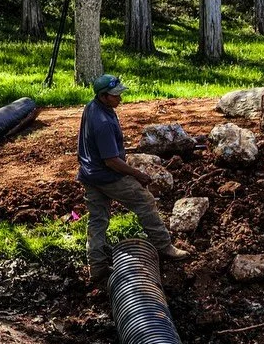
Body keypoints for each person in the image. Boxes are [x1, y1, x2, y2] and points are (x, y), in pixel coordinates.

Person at [78, 73, 188, 286]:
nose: (120, 98)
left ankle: (97, 267)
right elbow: (111, 161)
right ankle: (165, 247)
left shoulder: (92, 107)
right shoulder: (102, 122)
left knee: (97, 221)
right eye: (115, 95)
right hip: (107, 176)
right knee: (144, 201)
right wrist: (137, 174)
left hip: (89, 174)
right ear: (103, 96)